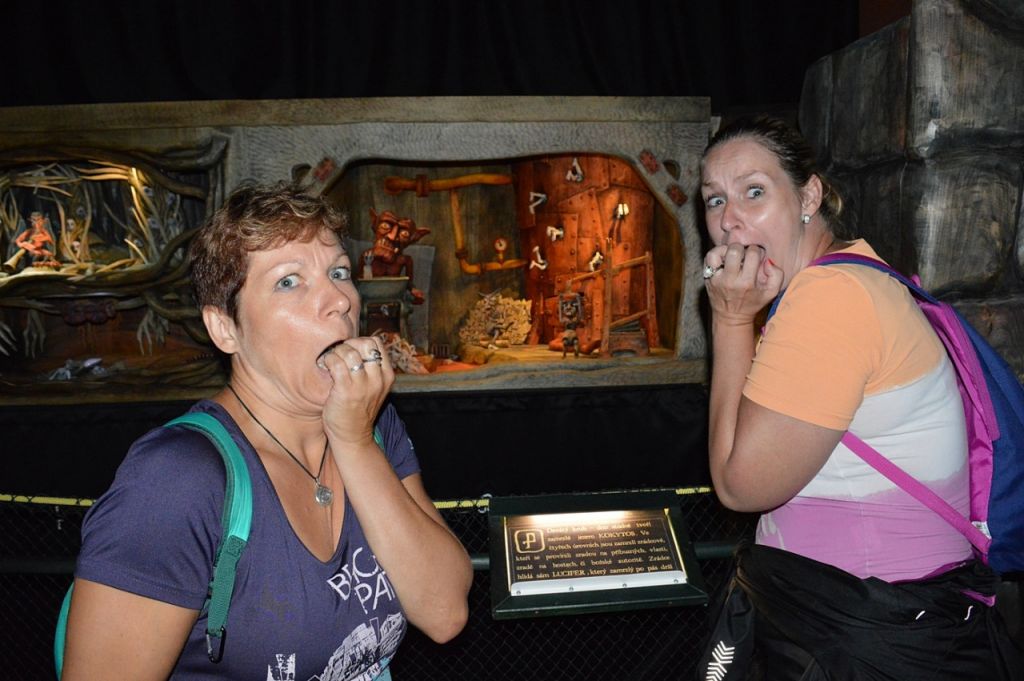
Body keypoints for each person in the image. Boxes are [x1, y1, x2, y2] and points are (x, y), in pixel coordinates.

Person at [63, 183, 473, 680]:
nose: (338, 301)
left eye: (339, 272)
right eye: (288, 281)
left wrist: (354, 442)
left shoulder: (372, 424)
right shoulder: (176, 479)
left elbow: (444, 612)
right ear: (225, 328)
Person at [697, 116, 1021, 679]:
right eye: (714, 200)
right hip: (860, 620)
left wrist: (729, 320)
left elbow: (739, 485)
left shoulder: (830, 299)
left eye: (754, 192)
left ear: (809, 196)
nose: (729, 220)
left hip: (870, 634)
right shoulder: (849, 275)